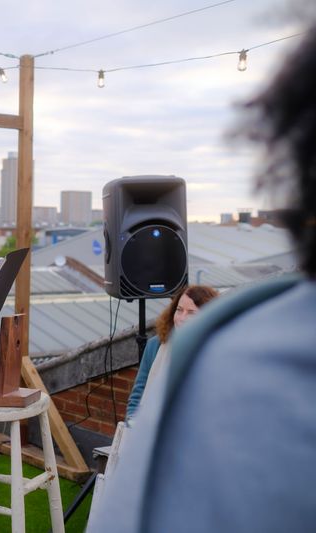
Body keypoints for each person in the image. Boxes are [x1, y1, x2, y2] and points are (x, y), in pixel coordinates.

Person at [88, 23, 316, 533]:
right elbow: (141, 398)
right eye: (183, 310)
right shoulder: (222, 368)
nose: (186, 315)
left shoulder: (231, 365)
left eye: (195, 310)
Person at [125, 284, 218, 421]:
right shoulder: (155, 345)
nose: (181, 318)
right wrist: (132, 425)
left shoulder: (216, 352)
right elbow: (138, 395)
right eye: (179, 310)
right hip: (150, 430)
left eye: (191, 312)